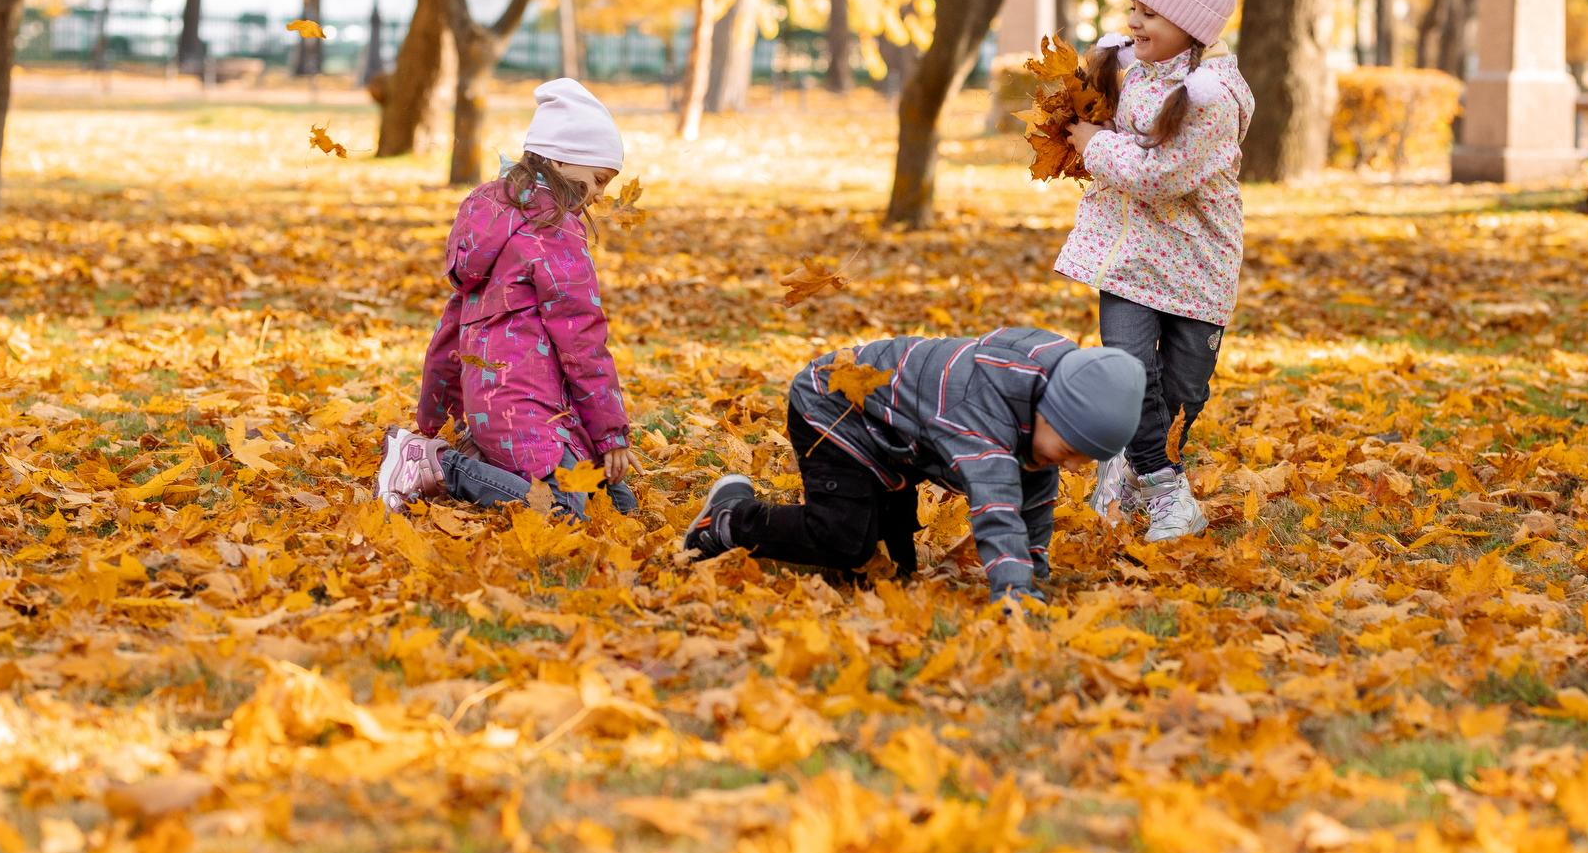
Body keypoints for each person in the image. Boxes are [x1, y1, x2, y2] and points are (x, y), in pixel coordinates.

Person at [683, 328, 1145, 605]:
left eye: (1082, 460)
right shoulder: (981, 406)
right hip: (833, 407)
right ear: (1052, 408)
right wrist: (1013, 592)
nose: (1069, 464)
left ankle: (842, 523)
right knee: (843, 538)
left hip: (894, 437)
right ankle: (728, 520)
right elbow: (997, 504)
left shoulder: (1040, 407)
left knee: (891, 564)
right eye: (1068, 450)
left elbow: (1035, 492)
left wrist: (1035, 566)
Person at [1055, 0, 1254, 541]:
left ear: (1193, 24)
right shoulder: (1119, 62)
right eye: (1132, 6)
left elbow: (1159, 176)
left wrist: (1094, 143)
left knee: (1184, 389)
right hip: (1131, 256)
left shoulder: (1211, 97)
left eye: (1151, 11)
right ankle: (1167, 490)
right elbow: (1086, 115)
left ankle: (1134, 464)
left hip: (1197, 259)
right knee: (1127, 370)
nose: (1134, 20)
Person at [376, 80, 635, 517]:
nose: (600, 196)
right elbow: (582, 342)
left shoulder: (494, 221)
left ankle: (473, 461)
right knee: (564, 510)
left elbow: (450, 330)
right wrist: (611, 434)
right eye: (598, 180)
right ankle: (444, 466)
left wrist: (432, 418)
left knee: (618, 502)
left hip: (496, 410)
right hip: (523, 408)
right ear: (559, 160)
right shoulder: (554, 230)